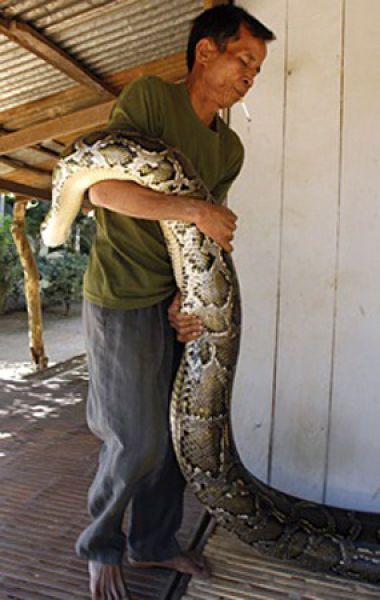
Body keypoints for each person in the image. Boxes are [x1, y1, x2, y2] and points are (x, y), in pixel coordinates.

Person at [75, 5, 274, 599]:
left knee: (176, 437)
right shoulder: (151, 101)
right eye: (245, 59)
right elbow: (104, 189)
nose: (250, 75)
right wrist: (192, 207)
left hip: (173, 301)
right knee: (134, 438)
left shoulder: (228, 150)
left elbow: (199, 244)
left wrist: (191, 302)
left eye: (259, 68)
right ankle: (101, 543)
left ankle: (155, 544)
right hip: (119, 293)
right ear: (205, 52)